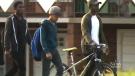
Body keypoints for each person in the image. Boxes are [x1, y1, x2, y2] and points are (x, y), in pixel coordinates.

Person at [81, 0, 109, 75]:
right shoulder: (86, 18)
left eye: (98, 5)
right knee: (91, 69)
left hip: (97, 47)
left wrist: (105, 45)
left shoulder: (98, 18)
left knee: (97, 69)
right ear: (90, 6)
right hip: (89, 47)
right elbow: (85, 32)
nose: (97, 7)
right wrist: (91, 42)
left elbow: (101, 33)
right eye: (95, 5)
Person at [4, 1, 31, 76]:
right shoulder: (10, 20)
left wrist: (32, 44)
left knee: (15, 68)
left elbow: (27, 34)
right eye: (20, 7)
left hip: (22, 48)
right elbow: (7, 34)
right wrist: (7, 48)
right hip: (14, 48)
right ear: (15, 9)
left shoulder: (24, 20)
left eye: (23, 7)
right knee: (22, 67)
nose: (22, 9)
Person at [40, 6, 63, 76]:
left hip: (54, 50)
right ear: (51, 14)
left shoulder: (55, 24)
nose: (57, 17)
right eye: (56, 15)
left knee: (60, 68)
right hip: (47, 51)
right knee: (46, 73)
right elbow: (42, 39)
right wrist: (47, 52)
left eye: (58, 15)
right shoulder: (44, 24)